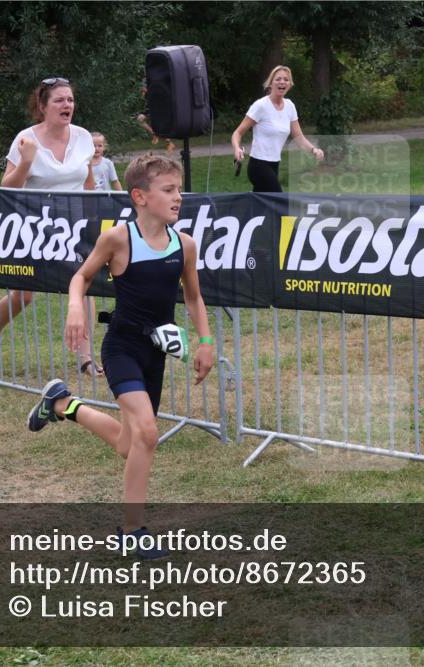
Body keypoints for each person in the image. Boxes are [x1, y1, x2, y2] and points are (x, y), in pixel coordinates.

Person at [27, 155, 214, 557]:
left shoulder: (185, 245)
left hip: (155, 354)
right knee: (148, 433)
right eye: (168, 190)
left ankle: (61, 404)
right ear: (140, 196)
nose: (178, 197)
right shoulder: (118, 239)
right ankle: (132, 532)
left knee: (132, 446)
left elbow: (195, 297)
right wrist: (76, 305)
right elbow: (81, 276)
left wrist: (206, 341)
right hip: (122, 347)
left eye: (178, 190)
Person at [0, 77, 101, 376]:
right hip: (33, 225)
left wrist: (96, 206)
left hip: (74, 224)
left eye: (70, 99)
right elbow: (8, 187)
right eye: (59, 100)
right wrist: (26, 162)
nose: (67, 105)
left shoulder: (83, 137)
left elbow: (87, 179)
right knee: (24, 295)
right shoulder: (26, 139)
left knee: (84, 287)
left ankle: (86, 357)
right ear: (42, 106)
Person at [231, 65, 324, 193]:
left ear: (290, 84)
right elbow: (237, 132)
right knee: (280, 201)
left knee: (262, 205)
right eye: (278, 79)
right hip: (258, 165)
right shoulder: (261, 106)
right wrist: (236, 148)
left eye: (286, 79)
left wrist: (314, 150)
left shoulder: (290, 106)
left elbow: (299, 137)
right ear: (271, 83)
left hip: (274, 164)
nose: (282, 82)